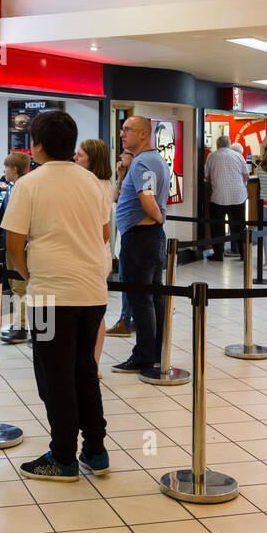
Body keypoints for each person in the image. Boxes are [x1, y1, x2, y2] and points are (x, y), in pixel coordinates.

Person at [2, 111, 110, 480]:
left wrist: (28, 272)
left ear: (36, 146)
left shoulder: (29, 184)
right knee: (84, 368)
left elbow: (14, 242)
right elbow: (104, 234)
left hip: (49, 295)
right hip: (93, 290)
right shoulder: (94, 183)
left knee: (54, 374)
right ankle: (95, 450)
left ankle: (62, 456)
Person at [112, 116, 170, 373]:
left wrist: (158, 217)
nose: (122, 134)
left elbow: (147, 198)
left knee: (141, 299)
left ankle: (145, 356)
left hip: (140, 238)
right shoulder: (154, 160)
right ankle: (154, 351)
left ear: (144, 134)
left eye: (127, 130)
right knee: (152, 297)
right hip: (147, 237)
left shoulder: (143, 162)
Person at [75, 137, 116, 367]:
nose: (75, 158)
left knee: (93, 314)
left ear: (92, 160)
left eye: (80, 155)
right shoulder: (103, 183)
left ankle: (93, 362)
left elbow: (103, 232)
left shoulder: (94, 186)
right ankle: (92, 362)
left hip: (94, 256)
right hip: (97, 254)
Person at [0, 152, 32, 345]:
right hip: (11, 244)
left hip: (20, 245)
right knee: (15, 286)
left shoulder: (24, 187)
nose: (3, 171)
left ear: (14, 169)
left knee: (20, 286)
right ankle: (18, 324)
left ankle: (21, 328)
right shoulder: (13, 187)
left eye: (6, 167)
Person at [105, 147, 136, 338]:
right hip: (124, 235)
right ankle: (127, 319)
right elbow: (115, 200)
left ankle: (126, 321)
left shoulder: (138, 178)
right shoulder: (126, 177)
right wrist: (120, 176)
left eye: (125, 153)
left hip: (132, 237)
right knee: (126, 280)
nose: (121, 156)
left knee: (128, 281)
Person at [204, 135, 249, 261]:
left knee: (217, 227)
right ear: (229, 145)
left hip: (219, 197)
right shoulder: (238, 156)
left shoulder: (212, 156)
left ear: (218, 145)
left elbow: (207, 177)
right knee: (240, 226)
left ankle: (218, 254)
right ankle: (243, 254)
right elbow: (246, 176)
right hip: (238, 197)